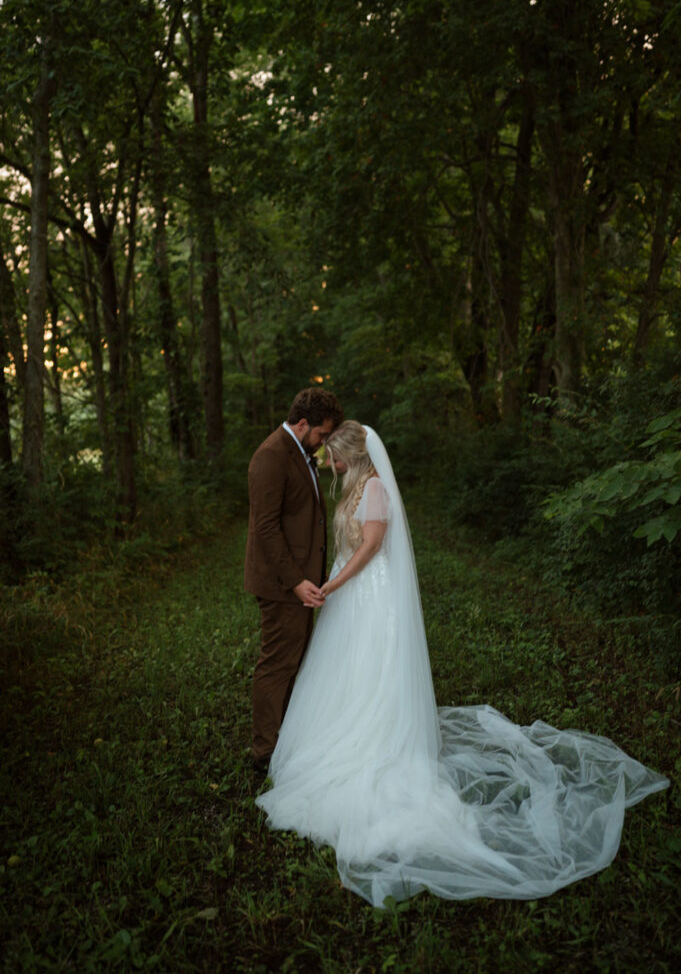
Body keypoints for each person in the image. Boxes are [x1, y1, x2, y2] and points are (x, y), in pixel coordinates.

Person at [256, 421, 669, 907]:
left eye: (333, 456)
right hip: (349, 599)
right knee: (344, 673)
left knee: (371, 672)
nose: (328, 462)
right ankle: (342, 731)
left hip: (368, 596)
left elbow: (368, 549)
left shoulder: (375, 490)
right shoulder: (350, 486)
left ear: (352, 455)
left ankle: (376, 741)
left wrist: (335, 585)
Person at [245, 387, 344, 773]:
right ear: (303, 424)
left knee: (294, 659)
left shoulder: (301, 453)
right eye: (321, 434)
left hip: (303, 581)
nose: (323, 442)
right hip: (282, 583)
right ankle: (264, 753)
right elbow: (265, 528)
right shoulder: (270, 456)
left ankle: (285, 739)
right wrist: (295, 581)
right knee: (277, 664)